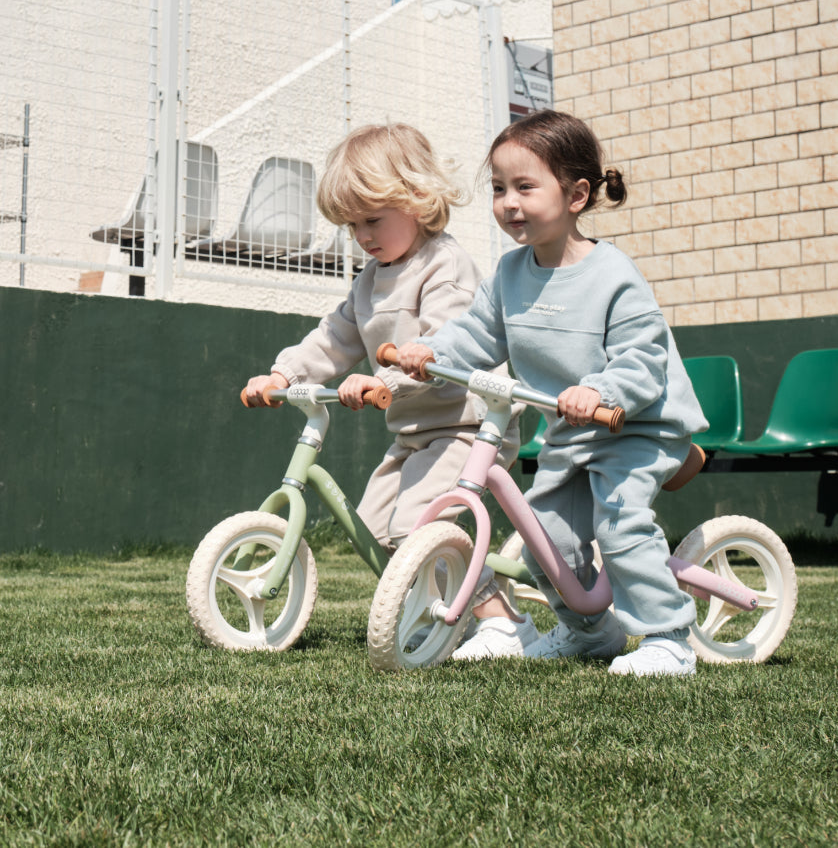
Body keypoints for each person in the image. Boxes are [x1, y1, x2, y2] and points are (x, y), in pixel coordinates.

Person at [396, 109, 707, 675]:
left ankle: (669, 637)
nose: (508, 202)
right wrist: (433, 355)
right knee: (541, 534)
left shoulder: (614, 275)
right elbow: (476, 335)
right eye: (498, 189)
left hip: (633, 425)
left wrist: (599, 391)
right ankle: (589, 631)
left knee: (619, 524)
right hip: (569, 429)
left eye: (524, 187)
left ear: (577, 195)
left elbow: (644, 357)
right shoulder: (509, 275)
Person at [242, 123, 532, 640]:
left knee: (415, 526)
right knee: (375, 532)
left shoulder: (446, 266)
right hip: (415, 433)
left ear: (418, 200)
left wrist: (385, 382)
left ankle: (502, 621)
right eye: (352, 226)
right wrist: (283, 372)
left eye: (373, 219)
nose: (364, 237)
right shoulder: (369, 281)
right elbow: (334, 336)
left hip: (469, 427)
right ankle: (443, 610)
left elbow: (442, 347)